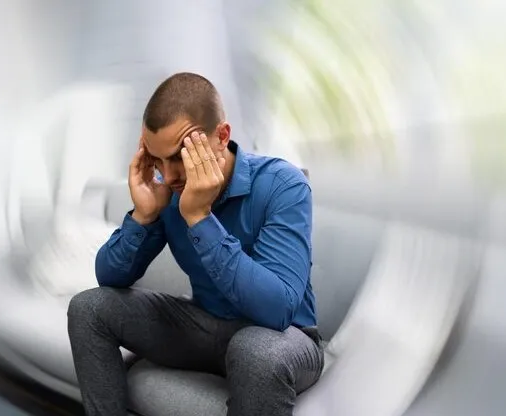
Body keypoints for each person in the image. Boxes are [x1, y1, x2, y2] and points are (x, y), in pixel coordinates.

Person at [67, 72, 323, 416]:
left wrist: (200, 217)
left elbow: (277, 310)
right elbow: (110, 277)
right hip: (204, 326)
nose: (169, 175)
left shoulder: (282, 184)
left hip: (283, 338)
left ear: (222, 136)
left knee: (254, 351)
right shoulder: (168, 190)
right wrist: (144, 216)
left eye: (179, 156)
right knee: (89, 308)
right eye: (157, 160)